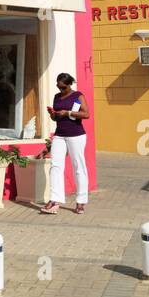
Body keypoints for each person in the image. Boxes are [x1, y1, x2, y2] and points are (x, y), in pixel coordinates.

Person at [41, 72, 89, 214]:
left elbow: (86, 114)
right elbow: (57, 118)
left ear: (69, 85)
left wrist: (67, 113)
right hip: (60, 135)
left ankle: (81, 202)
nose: (60, 90)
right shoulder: (57, 96)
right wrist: (53, 114)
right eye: (58, 86)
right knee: (55, 166)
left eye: (63, 87)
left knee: (78, 167)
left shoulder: (77, 96)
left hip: (76, 135)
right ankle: (54, 200)